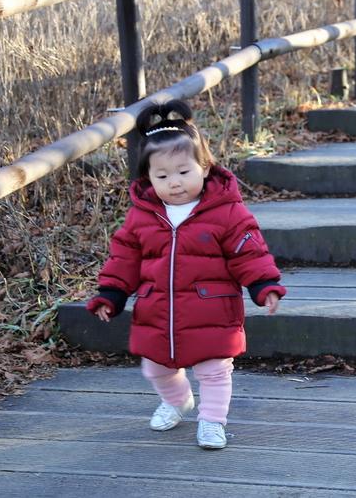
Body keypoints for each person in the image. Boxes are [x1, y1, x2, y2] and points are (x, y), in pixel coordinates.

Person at [86, 99, 286, 450]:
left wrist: (263, 284)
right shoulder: (143, 215)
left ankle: (211, 422)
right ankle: (177, 400)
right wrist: (112, 293)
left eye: (183, 172)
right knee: (155, 369)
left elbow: (249, 251)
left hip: (213, 309)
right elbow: (124, 257)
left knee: (214, 371)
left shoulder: (226, 211)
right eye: (162, 176)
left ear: (205, 167)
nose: (174, 183)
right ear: (148, 178)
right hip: (157, 312)